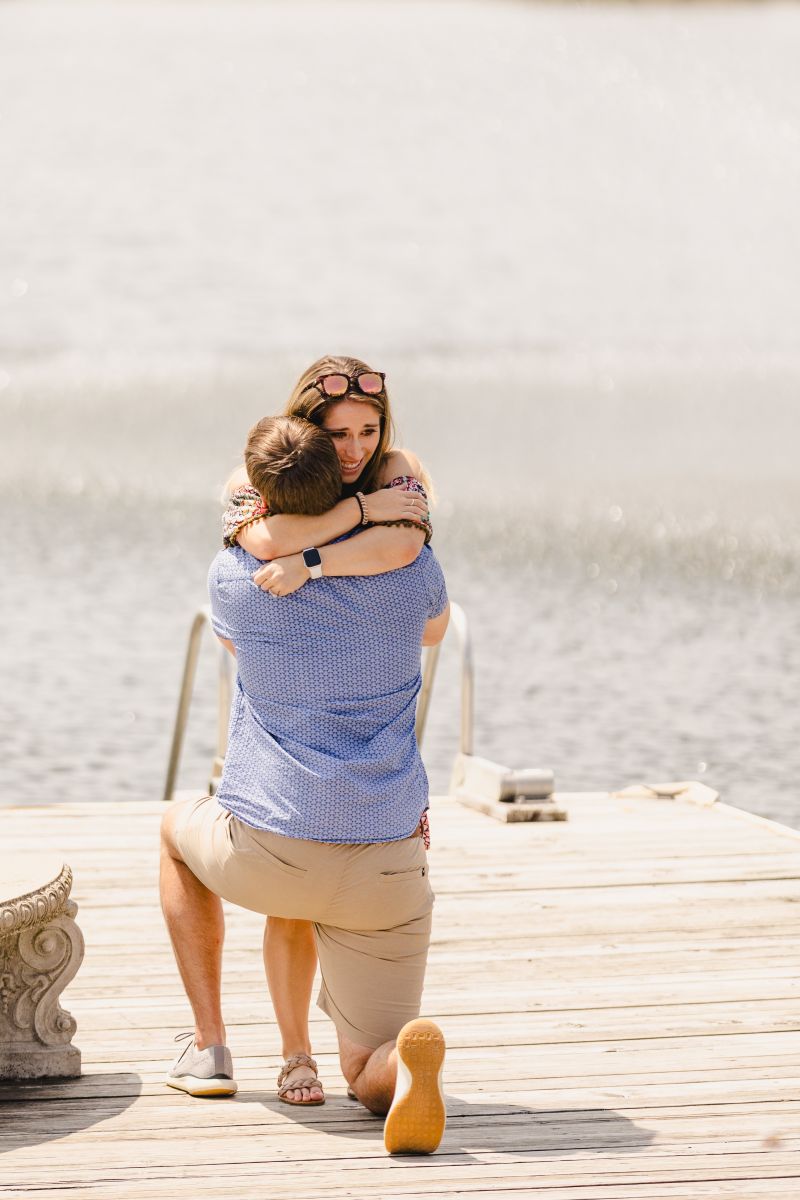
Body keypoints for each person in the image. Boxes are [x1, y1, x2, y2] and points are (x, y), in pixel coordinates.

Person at [160, 410, 450, 1155]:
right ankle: (391, 1073)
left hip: (272, 850)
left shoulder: (235, 579)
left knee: (174, 833)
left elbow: (235, 614)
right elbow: (435, 629)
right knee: (365, 1063)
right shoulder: (413, 569)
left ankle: (211, 1047)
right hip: (387, 861)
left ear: (261, 495)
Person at [218, 355, 436, 1105]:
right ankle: (353, 1065)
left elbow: (404, 547)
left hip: (310, 787)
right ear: (305, 426)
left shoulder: (398, 468)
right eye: (338, 433)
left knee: (286, 891)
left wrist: (314, 561)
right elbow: (260, 540)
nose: (355, 450)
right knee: (299, 910)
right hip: (373, 804)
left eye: (368, 431)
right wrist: (358, 517)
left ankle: (289, 1058)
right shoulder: (259, 473)